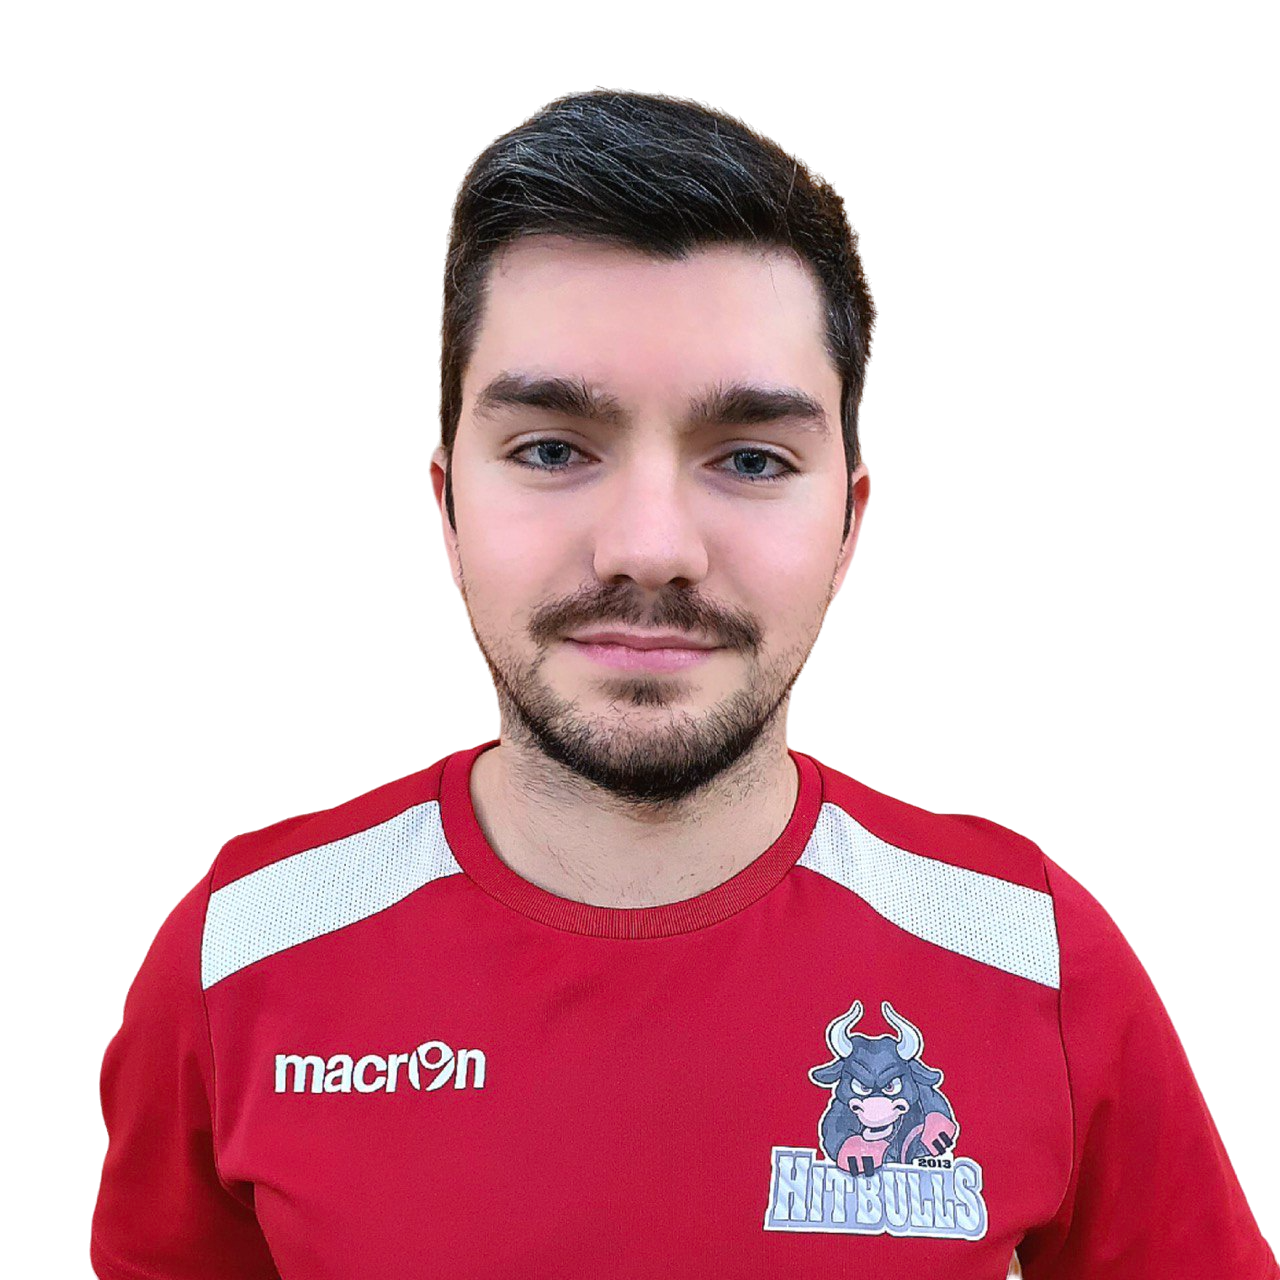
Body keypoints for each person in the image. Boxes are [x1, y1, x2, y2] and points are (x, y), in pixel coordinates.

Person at [92, 87, 1275, 1280]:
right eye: (551, 448)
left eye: (750, 458)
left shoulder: (1037, 956)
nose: (648, 546)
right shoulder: (238, 953)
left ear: (848, 525)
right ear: (447, 509)